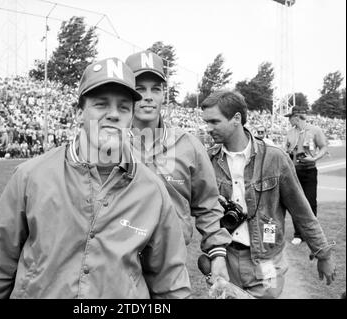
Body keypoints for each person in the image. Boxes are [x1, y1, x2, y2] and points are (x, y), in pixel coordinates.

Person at [0, 57, 192, 299]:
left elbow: (170, 282)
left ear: (131, 117)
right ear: (79, 113)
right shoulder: (30, 176)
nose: (114, 115)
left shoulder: (152, 190)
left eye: (124, 107)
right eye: (101, 104)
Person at [201, 90, 336, 299]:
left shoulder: (275, 159)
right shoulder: (207, 161)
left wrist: (323, 254)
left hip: (266, 261)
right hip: (225, 259)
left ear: (236, 118)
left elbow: (302, 212)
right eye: (206, 122)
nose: (207, 129)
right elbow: (203, 212)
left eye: (214, 122)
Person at [125, 50, 232, 282]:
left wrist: (217, 254)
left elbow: (208, 204)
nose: (148, 96)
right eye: (139, 89)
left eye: (156, 89)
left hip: (170, 265)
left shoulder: (188, 145)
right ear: (127, 92)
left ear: (164, 94)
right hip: (119, 265)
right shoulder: (109, 144)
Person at [284, 106, 328, 245]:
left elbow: (324, 147)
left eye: (289, 117)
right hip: (294, 171)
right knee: (296, 202)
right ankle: (298, 234)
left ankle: (311, 234)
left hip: (309, 170)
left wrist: (314, 158)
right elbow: (287, 149)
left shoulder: (315, 130)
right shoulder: (290, 132)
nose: (288, 120)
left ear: (296, 117)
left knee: (310, 202)